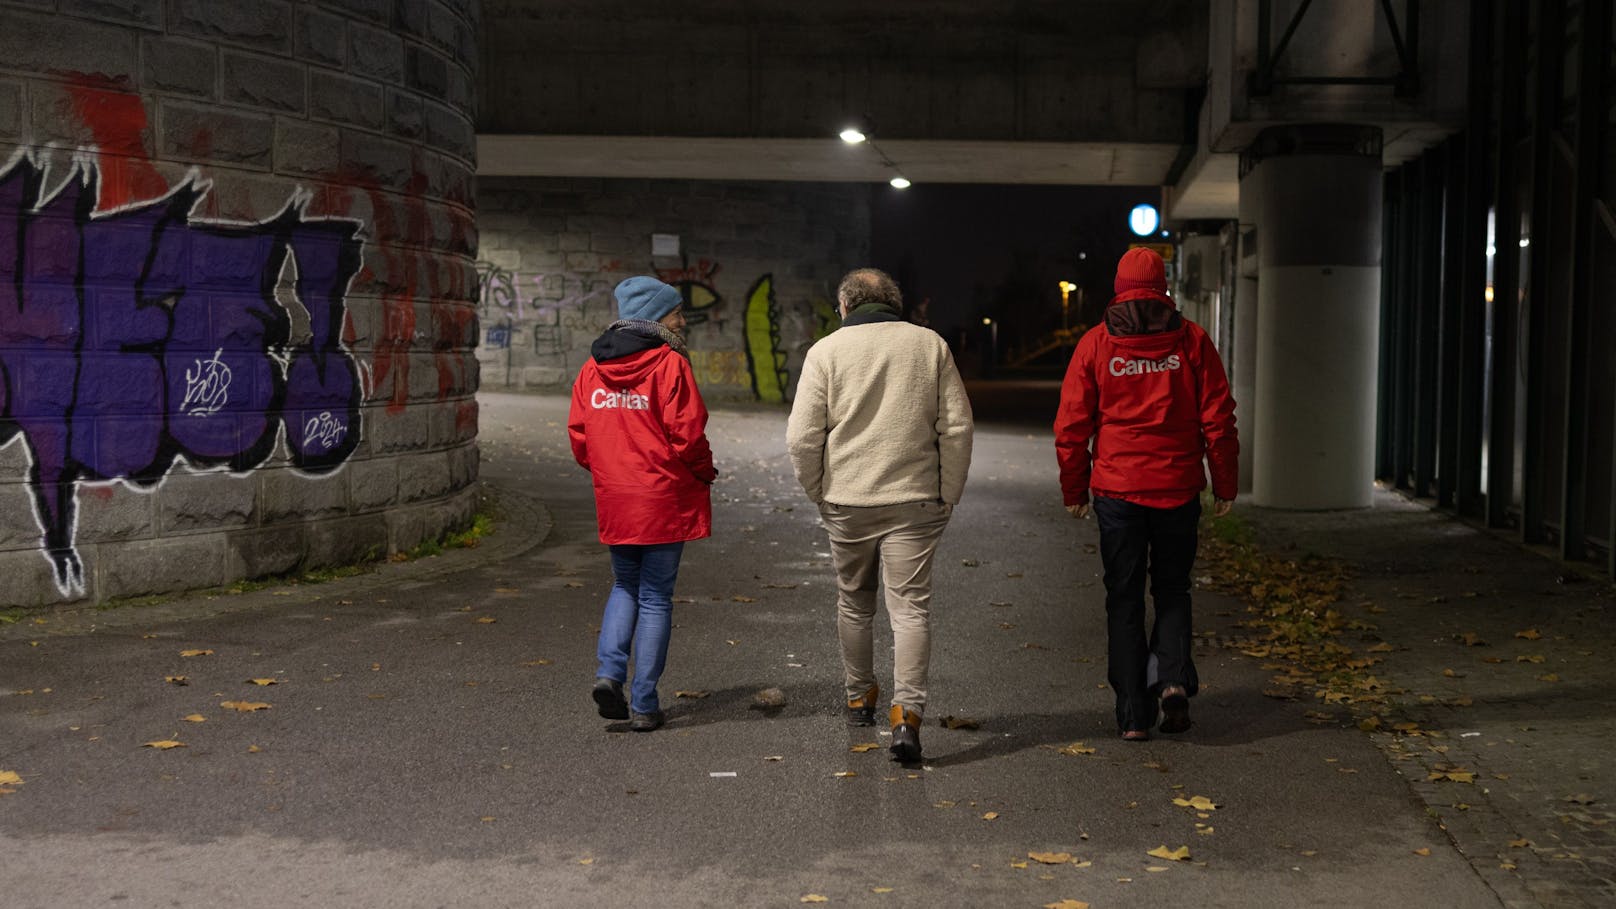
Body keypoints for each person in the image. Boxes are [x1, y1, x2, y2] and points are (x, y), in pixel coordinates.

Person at [786, 268, 974, 762]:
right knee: (909, 608)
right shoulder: (930, 346)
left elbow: (803, 436)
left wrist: (817, 491)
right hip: (914, 501)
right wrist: (947, 492)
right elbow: (956, 427)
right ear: (896, 303)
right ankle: (906, 717)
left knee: (854, 601)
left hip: (847, 501)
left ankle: (858, 696)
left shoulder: (825, 352)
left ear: (845, 306)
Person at [1053, 247, 1238, 741]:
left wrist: (1075, 488)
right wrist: (1225, 482)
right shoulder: (1193, 340)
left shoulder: (1096, 344)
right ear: (1164, 286)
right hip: (1177, 488)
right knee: (1173, 589)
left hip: (1118, 491)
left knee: (1125, 598)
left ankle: (1134, 714)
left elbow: (1071, 425)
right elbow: (1218, 418)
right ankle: (1173, 680)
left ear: (1118, 286)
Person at [568, 276, 716, 733]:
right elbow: (687, 434)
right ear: (655, 316)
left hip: (617, 497)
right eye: (675, 312)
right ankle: (645, 702)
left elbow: (579, 435)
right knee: (655, 597)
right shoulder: (670, 363)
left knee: (623, 586)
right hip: (663, 498)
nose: (682, 319)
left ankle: (609, 673)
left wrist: (612, 474)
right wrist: (704, 471)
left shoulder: (593, 367)